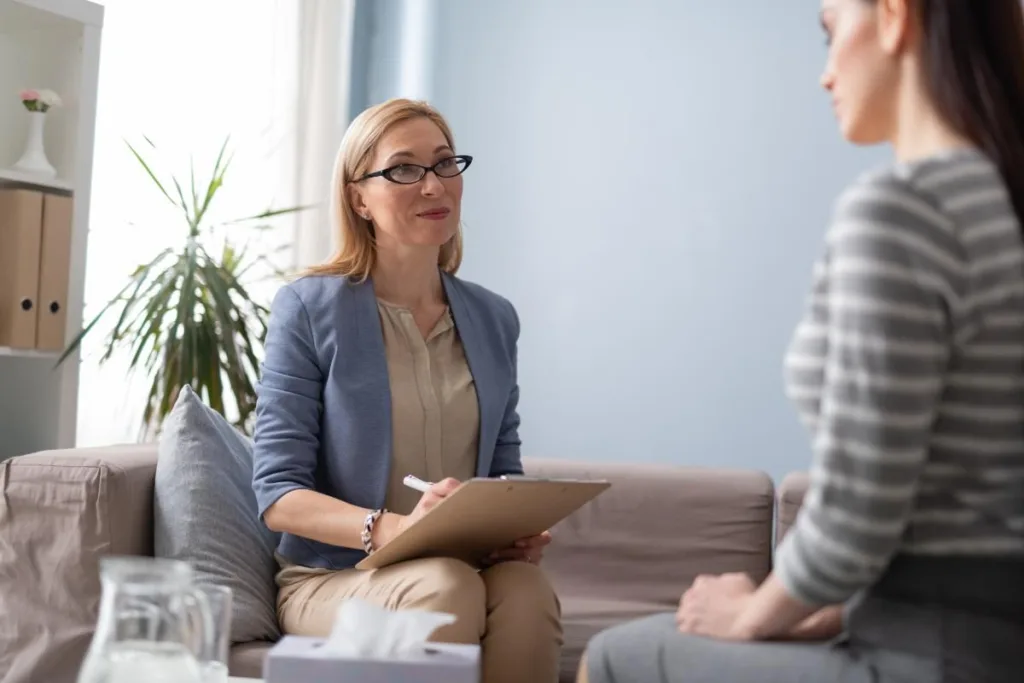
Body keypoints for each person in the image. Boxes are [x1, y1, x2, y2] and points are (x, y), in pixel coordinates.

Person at [580, 1, 1024, 681]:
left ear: (894, 17)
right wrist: (828, 607)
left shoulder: (900, 212)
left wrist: (753, 612)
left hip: (924, 652)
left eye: (830, 30)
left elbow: (857, 514)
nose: (823, 74)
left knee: (615, 656)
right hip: (968, 631)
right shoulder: (996, 208)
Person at [251, 97, 563, 683]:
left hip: (464, 565)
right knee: (445, 585)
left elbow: (501, 468)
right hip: (335, 579)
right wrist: (393, 529)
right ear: (357, 197)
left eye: (445, 164)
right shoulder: (308, 308)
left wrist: (512, 529)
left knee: (525, 589)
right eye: (403, 169)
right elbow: (278, 494)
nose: (433, 186)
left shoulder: (495, 318)